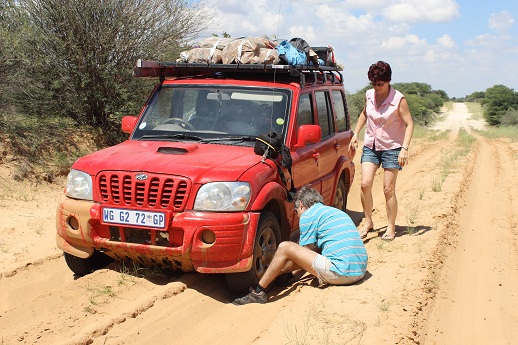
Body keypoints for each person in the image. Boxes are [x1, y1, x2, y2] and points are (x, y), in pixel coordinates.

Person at [232, 186, 368, 305]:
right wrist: (290, 275)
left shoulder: (309, 214)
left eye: (296, 211)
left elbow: (303, 252)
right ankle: (278, 279)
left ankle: (258, 292)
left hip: (342, 273)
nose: (298, 215)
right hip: (359, 271)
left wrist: (278, 270)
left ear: (301, 205)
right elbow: (309, 256)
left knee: (286, 247)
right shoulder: (333, 212)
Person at [348, 61, 414, 241]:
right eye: (374, 84)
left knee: (387, 189)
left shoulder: (398, 100)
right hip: (371, 144)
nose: (377, 88)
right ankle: (368, 221)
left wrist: (404, 149)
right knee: (365, 184)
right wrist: (356, 133)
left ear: (388, 81)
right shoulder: (369, 95)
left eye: (380, 84)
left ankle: (391, 226)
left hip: (392, 147)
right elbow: (364, 113)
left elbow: (409, 124)